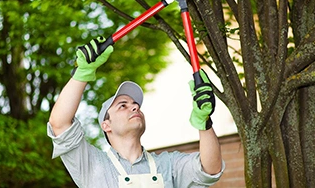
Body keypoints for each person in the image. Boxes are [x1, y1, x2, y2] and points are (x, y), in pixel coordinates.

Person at [47, 37, 225, 188]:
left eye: (135, 104)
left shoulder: (168, 165)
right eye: (122, 105)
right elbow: (59, 124)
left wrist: (205, 123)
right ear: (106, 125)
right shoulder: (93, 165)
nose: (135, 107)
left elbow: (211, 169)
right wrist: (82, 73)